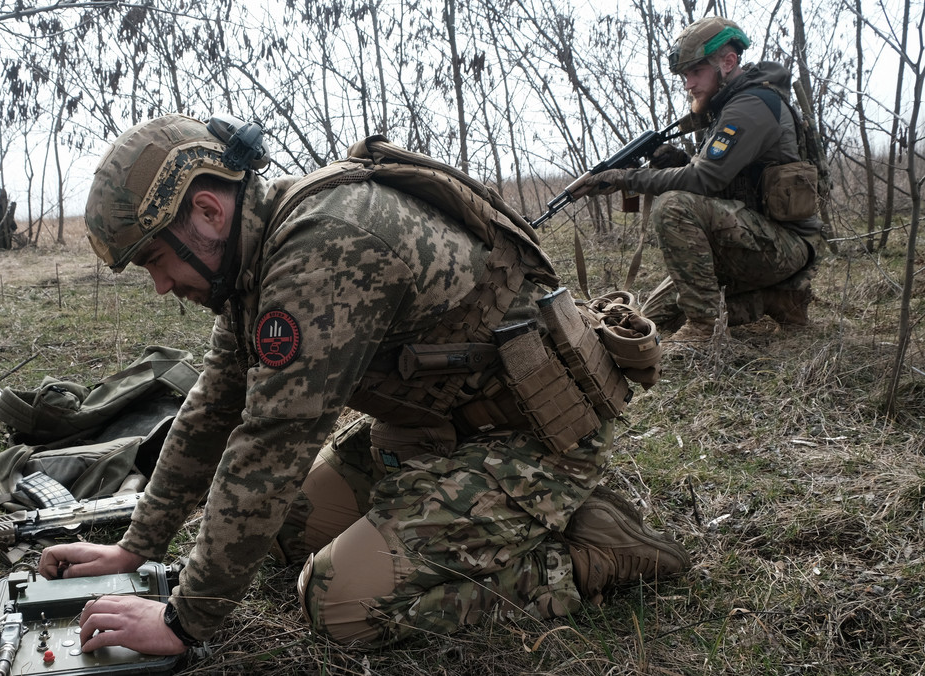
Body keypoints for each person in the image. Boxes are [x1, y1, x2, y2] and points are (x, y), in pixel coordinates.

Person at [39, 113, 689, 654]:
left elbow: (271, 441)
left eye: (156, 259)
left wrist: (184, 620)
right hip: (438, 429)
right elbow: (213, 406)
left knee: (338, 602)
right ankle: (464, 519)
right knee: (288, 525)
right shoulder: (256, 256)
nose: (160, 285)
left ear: (208, 211)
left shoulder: (323, 246)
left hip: (534, 437)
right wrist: (136, 545)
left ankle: (584, 556)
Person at [571, 16, 826, 350]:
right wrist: (678, 161)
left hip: (787, 245)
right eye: (684, 75)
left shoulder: (750, 106)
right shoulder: (730, 105)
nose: (688, 84)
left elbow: (707, 178)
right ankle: (777, 299)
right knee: (656, 315)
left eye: (696, 72)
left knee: (673, 206)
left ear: (728, 62)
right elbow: (725, 178)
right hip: (756, 237)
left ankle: (706, 330)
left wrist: (626, 178)